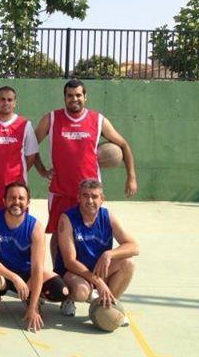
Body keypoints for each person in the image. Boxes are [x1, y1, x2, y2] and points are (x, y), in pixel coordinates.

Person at [34, 79, 137, 255]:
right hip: (61, 190)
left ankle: (91, 271)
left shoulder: (98, 120)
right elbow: (31, 146)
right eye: (70, 96)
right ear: (64, 97)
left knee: (91, 231)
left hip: (89, 190)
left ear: (85, 97)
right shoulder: (51, 118)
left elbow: (124, 145)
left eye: (78, 95)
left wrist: (131, 177)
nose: (74, 99)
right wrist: (42, 170)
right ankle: (59, 272)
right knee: (59, 234)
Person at [0, 182, 68, 332]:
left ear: (28, 202)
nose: (16, 202)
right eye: (12, 198)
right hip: (0, 273)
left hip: (26, 275)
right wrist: (14, 278)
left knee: (62, 291)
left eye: (21, 198)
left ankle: (31, 299)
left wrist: (33, 309)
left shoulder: (35, 227)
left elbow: (37, 268)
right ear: (4, 201)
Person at [55, 179, 138, 321]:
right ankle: (68, 299)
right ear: (79, 198)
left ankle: (108, 304)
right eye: (85, 196)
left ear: (102, 199)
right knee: (82, 292)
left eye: (94, 196)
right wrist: (99, 283)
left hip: (98, 269)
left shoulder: (107, 216)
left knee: (128, 263)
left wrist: (109, 254)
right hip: (74, 272)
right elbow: (69, 262)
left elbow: (134, 246)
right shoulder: (67, 218)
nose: (90, 200)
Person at [0, 86, 39, 214]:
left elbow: (31, 156)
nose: (6, 102)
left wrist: (16, 174)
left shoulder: (25, 125)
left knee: (17, 228)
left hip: (16, 189)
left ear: (14, 103)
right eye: (2, 99)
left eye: (9, 99)